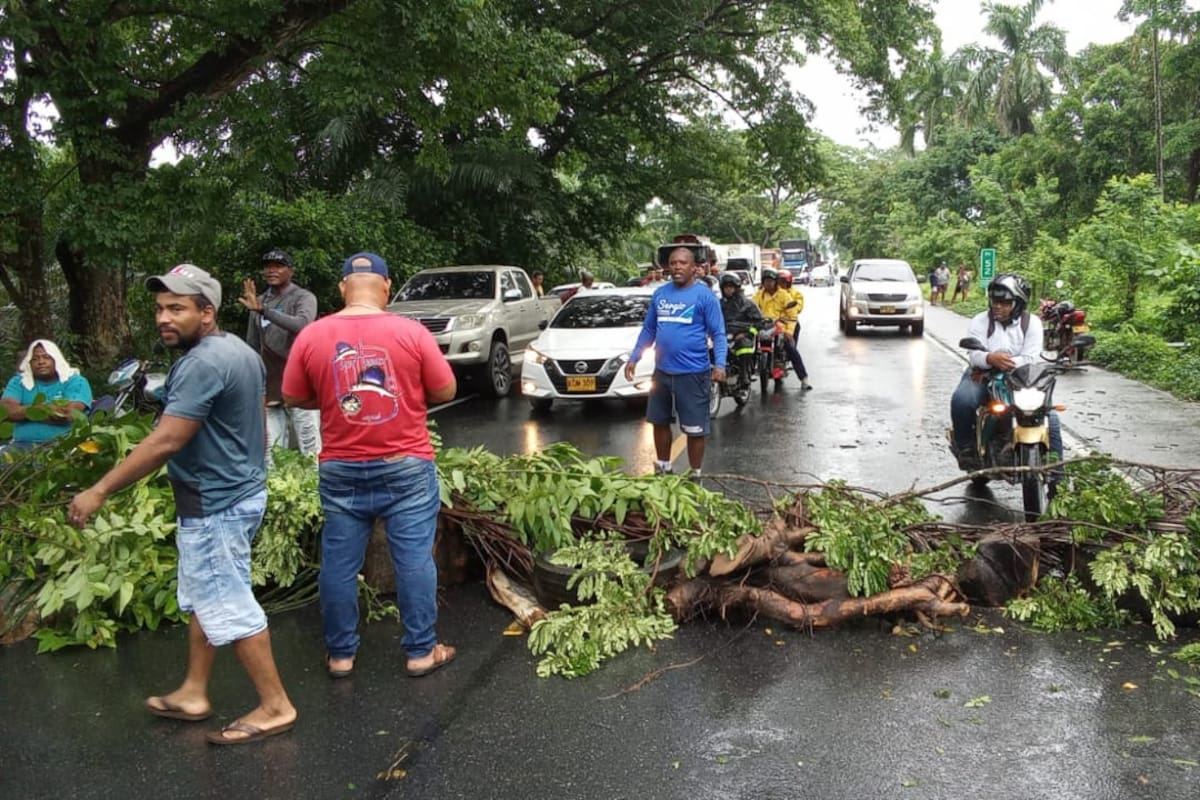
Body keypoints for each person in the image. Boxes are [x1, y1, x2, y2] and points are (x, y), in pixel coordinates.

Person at [67, 263, 296, 746]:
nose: (163, 318)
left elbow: (167, 441)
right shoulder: (238, 350)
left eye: (177, 308)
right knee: (204, 597)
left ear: (206, 312)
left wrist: (99, 490)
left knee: (229, 603)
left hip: (216, 503)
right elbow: (251, 413)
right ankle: (194, 691)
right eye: (159, 309)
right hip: (237, 491)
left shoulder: (202, 363)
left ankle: (275, 705)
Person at [281, 251, 459, 680]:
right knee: (414, 559)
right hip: (405, 463)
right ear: (387, 286)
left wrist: (331, 400)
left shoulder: (312, 336)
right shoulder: (411, 332)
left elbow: (292, 396)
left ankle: (341, 656)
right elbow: (446, 389)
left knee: (339, 564)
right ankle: (420, 651)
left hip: (341, 467)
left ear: (342, 288)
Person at [624, 244, 726, 479]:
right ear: (668, 267)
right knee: (658, 422)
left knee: (694, 429)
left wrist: (719, 364)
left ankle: (695, 474)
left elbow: (718, 333)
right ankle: (664, 467)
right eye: (673, 263)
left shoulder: (704, 296)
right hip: (662, 373)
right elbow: (649, 329)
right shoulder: (660, 294)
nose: (677, 267)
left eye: (683, 263)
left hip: (693, 374)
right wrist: (635, 357)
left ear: (694, 268)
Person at [950, 272, 1064, 472]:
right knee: (962, 400)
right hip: (982, 373)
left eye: (1004, 302)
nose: (997, 306)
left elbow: (1031, 357)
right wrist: (989, 358)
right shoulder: (980, 321)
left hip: (1022, 378)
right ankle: (966, 449)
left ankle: (1057, 475)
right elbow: (974, 354)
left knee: (1050, 417)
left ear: (1018, 304)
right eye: (995, 301)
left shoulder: (1032, 323)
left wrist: (1005, 361)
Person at [241, 248, 320, 459]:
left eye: (278, 266)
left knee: (311, 447)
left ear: (290, 271)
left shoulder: (303, 297)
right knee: (272, 451)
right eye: (267, 266)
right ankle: (277, 491)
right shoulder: (259, 301)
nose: (271, 270)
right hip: (271, 385)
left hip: (301, 383)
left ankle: (316, 489)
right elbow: (252, 344)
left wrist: (264, 312)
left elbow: (302, 324)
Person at [1, 339, 93, 452]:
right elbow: (5, 412)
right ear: (29, 363)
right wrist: (41, 409)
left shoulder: (76, 381)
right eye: (35, 359)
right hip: (20, 446)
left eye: (46, 357)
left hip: (62, 447)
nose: (41, 362)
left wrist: (23, 412)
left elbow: (68, 415)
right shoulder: (19, 382)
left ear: (56, 359)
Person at [752, 268, 812, 390]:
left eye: (771, 281)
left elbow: (792, 314)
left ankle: (804, 378)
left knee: (791, 348)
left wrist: (789, 332)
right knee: (748, 346)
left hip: (780, 327)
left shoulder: (784, 295)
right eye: (766, 281)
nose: (768, 283)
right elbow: (751, 308)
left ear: (775, 282)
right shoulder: (758, 295)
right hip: (763, 326)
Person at [718, 272, 766, 382]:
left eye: (731, 287)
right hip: (723, 335)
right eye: (726, 287)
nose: (728, 290)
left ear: (737, 288)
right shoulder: (718, 304)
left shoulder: (748, 303)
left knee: (744, 345)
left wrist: (746, 334)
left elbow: (759, 322)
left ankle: (744, 374)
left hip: (743, 335)